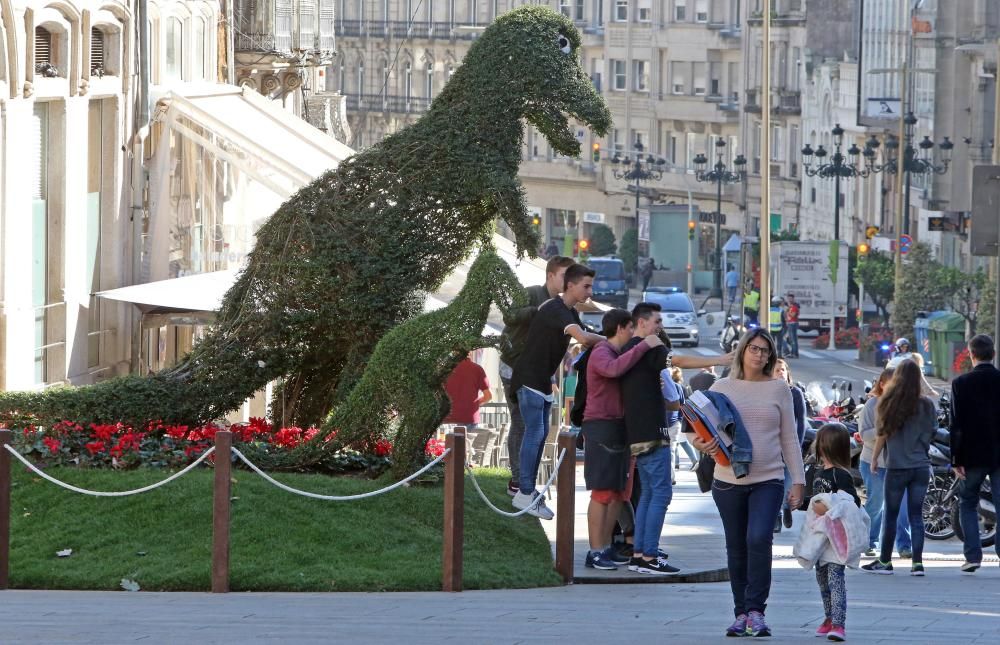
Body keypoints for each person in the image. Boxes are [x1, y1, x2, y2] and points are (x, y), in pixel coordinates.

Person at [689, 328, 805, 638]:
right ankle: (740, 613)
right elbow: (694, 425)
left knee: (758, 539)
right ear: (743, 351)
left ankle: (757, 610)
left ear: (771, 356)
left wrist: (798, 480)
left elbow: (790, 438)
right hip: (728, 480)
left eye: (765, 351)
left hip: (768, 478)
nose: (759, 354)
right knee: (736, 545)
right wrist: (704, 445)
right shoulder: (722, 386)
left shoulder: (780, 389)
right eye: (754, 348)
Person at [510, 263, 605, 518]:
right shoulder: (555, 308)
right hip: (529, 379)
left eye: (591, 286)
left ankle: (527, 492)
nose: (590, 292)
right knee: (534, 433)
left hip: (541, 381)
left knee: (539, 436)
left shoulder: (570, 313)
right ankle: (524, 492)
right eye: (586, 286)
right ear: (570, 285)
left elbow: (585, 337)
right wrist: (610, 342)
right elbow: (583, 339)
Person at [581, 309, 659, 570]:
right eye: (630, 329)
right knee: (602, 492)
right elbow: (613, 371)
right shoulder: (602, 352)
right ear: (622, 328)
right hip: (601, 427)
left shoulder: (616, 352)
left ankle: (605, 547)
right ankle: (595, 551)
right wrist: (643, 347)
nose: (633, 334)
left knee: (616, 493)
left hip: (617, 428)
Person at [499, 255, 575, 496]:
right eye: (565, 276)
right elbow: (509, 316)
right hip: (515, 367)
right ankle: (519, 481)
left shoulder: (564, 307)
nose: (568, 282)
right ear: (550, 275)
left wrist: (552, 377)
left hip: (539, 373)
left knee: (539, 428)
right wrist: (537, 311)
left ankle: (526, 481)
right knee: (523, 422)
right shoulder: (532, 293)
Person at [621, 302, 680, 575]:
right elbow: (677, 362)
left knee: (646, 494)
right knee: (661, 494)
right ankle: (649, 556)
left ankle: (639, 554)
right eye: (657, 321)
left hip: (637, 432)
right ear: (641, 322)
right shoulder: (649, 349)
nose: (660, 326)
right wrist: (720, 360)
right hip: (653, 433)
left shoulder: (629, 351)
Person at [862, 360, 937, 575]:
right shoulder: (927, 405)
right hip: (921, 466)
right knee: (916, 516)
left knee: (891, 514)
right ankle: (917, 564)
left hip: (896, 466)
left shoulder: (888, 403)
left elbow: (882, 434)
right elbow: (933, 430)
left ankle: (885, 561)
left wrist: (875, 458)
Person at [949, 334, 1000, 574]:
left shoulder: (961, 384)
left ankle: (973, 556)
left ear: (971, 355)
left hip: (972, 456)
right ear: (994, 354)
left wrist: (956, 459)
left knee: (967, 502)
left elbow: (956, 425)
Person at [807, 424, 863, 642]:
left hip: (836, 538)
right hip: (820, 536)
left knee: (835, 579)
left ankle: (839, 624)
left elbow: (853, 502)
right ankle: (828, 617)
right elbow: (811, 501)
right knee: (822, 580)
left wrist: (829, 506)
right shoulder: (818, 472)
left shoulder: (841, 475)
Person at [858, 368, 912, 558]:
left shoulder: (906, 406)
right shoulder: (872, 405)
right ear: (882, 384)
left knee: (903, 507)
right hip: (874, 463)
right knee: (876, 504)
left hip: (900, 464)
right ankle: (871, 542)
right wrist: (884, 430)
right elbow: (864, 435)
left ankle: (905, 545)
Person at [774, 359, 807, 531]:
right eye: (777, 370)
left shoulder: (795, 392)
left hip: (789, 447)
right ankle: (778, 513)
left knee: (787, 483)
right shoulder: (768, 392)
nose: (780, 373)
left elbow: (801, 421)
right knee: (775, 484)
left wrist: (798, 445)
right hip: (771, 448)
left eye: (783, 370)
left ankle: (784, 508)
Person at [442, 352, 492, 432]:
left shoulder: (445, 370)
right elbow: (488, 396)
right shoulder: (477, 369)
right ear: (469, 353)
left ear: (454, 353)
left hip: (447, 418)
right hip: (469, 417)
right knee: (466, 444)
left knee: (444, 444)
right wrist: (475, 404)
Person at [666, 366, 699, 472]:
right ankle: (676, 466)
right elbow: (684, 404)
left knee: (677, 444)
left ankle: (683, 463)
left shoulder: (672, 387)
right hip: (678, 420)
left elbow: (681, 404)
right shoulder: (681, 386)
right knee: (675, 445)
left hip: (675, 420)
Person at [784, 293, 800, 358]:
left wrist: (787, 311)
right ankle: (794, 353)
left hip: (793, 324)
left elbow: (793, 315)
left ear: (793, 299)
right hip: (790, 323)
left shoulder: (794, 307)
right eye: (788, 298)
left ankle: (794, 353)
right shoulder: (790, 307)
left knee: (793, 339)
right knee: (792, 339)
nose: (789, 300)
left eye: (791, 298)